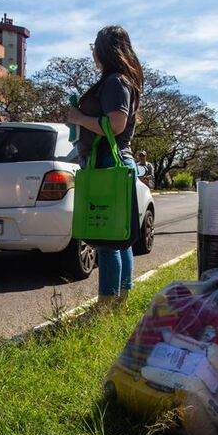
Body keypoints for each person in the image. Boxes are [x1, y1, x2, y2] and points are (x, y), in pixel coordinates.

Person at [66, 25, 144, 308]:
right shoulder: (122, 80)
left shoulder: (114, 82)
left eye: (95, 47)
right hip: (115, 162)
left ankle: (106, 306)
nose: (93, 53)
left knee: (108, 238)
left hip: (108, 162)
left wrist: (78, 117)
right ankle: (120, 301)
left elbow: (115, 124)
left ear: (105, 51)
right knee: (119, 238)